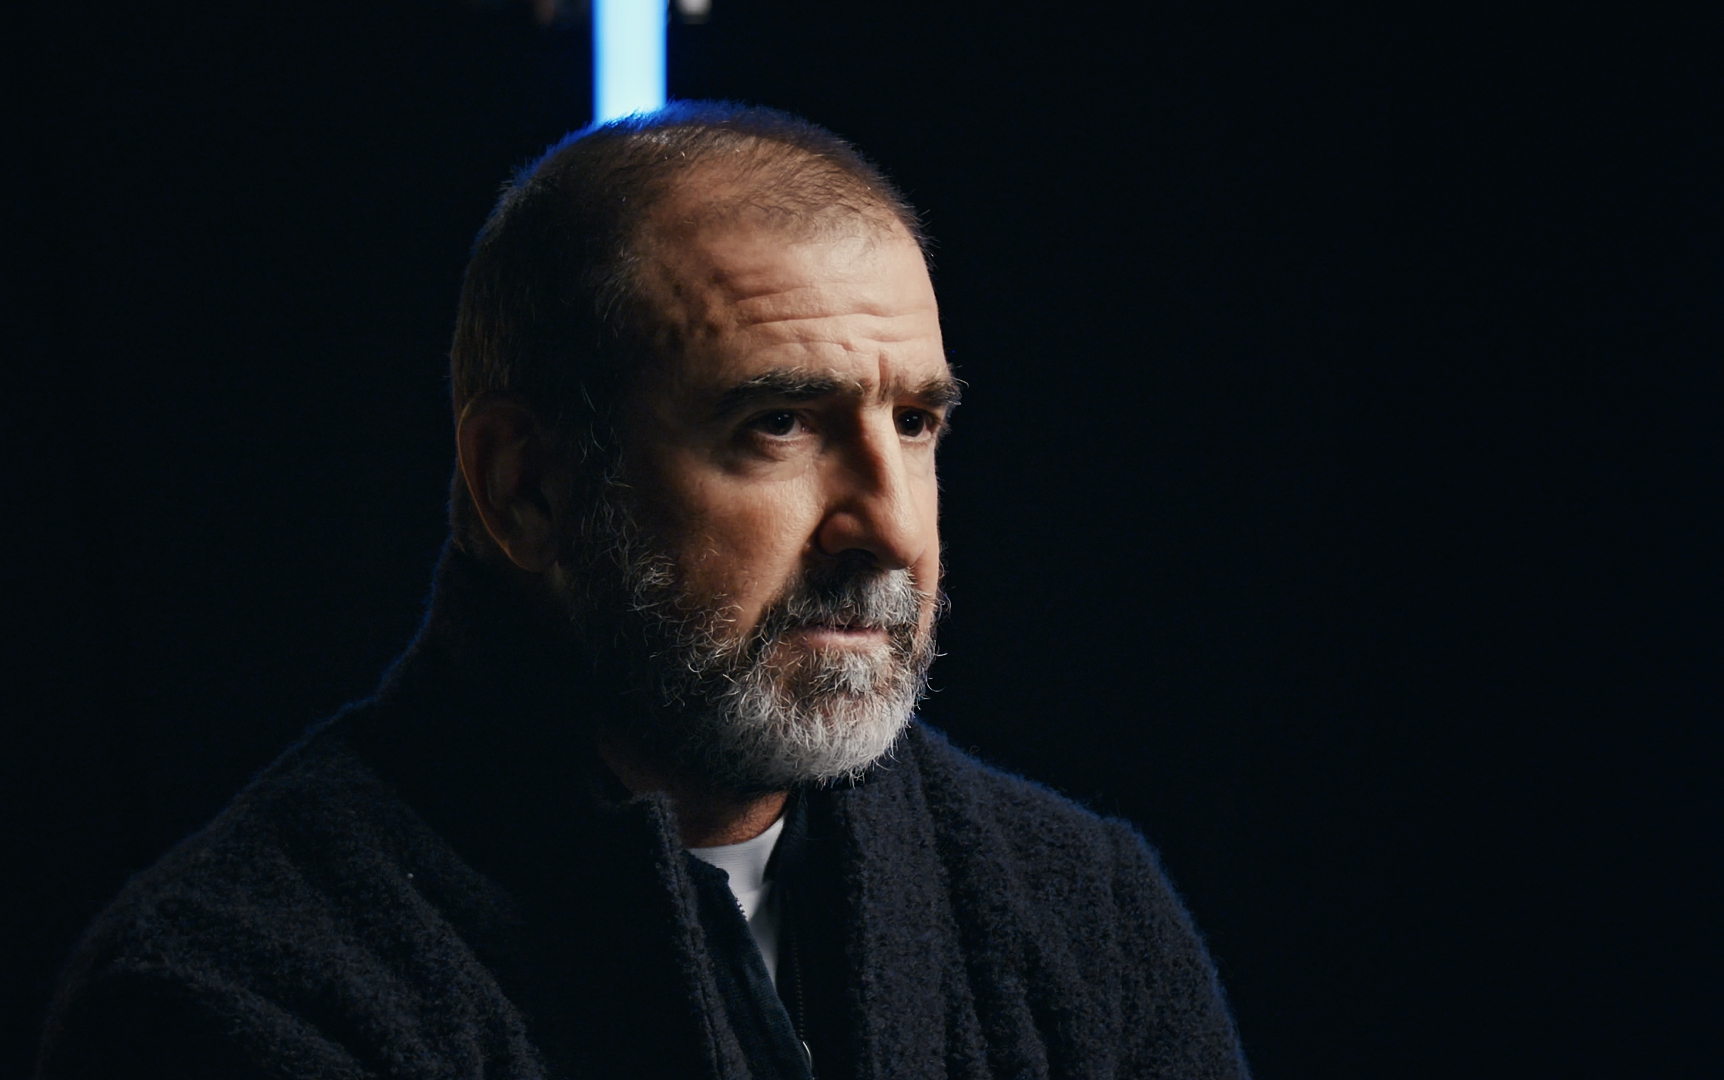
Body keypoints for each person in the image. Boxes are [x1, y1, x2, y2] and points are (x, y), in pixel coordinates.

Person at [38, 103, 1248, 1080]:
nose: (889, 528)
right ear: (527, 487)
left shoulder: (1081, 918)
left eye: (916, 422)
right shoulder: (236, 992)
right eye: (778, 424)